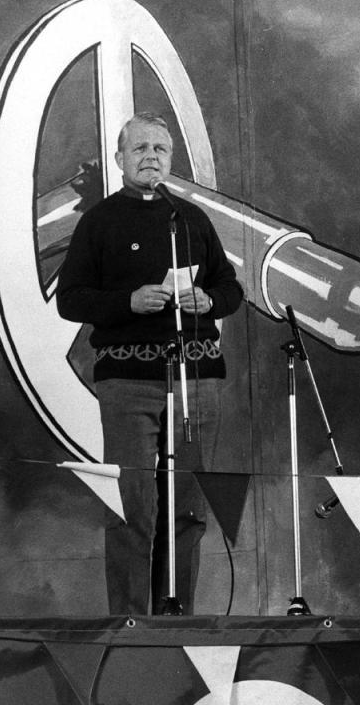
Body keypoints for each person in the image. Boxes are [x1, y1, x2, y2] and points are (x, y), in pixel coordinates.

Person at [57, 112, 243, 615]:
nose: (150, 157)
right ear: (119, 159)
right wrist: (127, 302)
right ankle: (129, 620)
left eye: (159, 149)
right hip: (128, 384)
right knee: (132, 506)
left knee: (188, 506)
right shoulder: (99, 221)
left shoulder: (191, 219)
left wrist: (209, 301)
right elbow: (70, 300)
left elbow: (231, 289)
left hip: (196, 381)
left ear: (171, 159)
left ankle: (175, 614)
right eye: (139, 149)